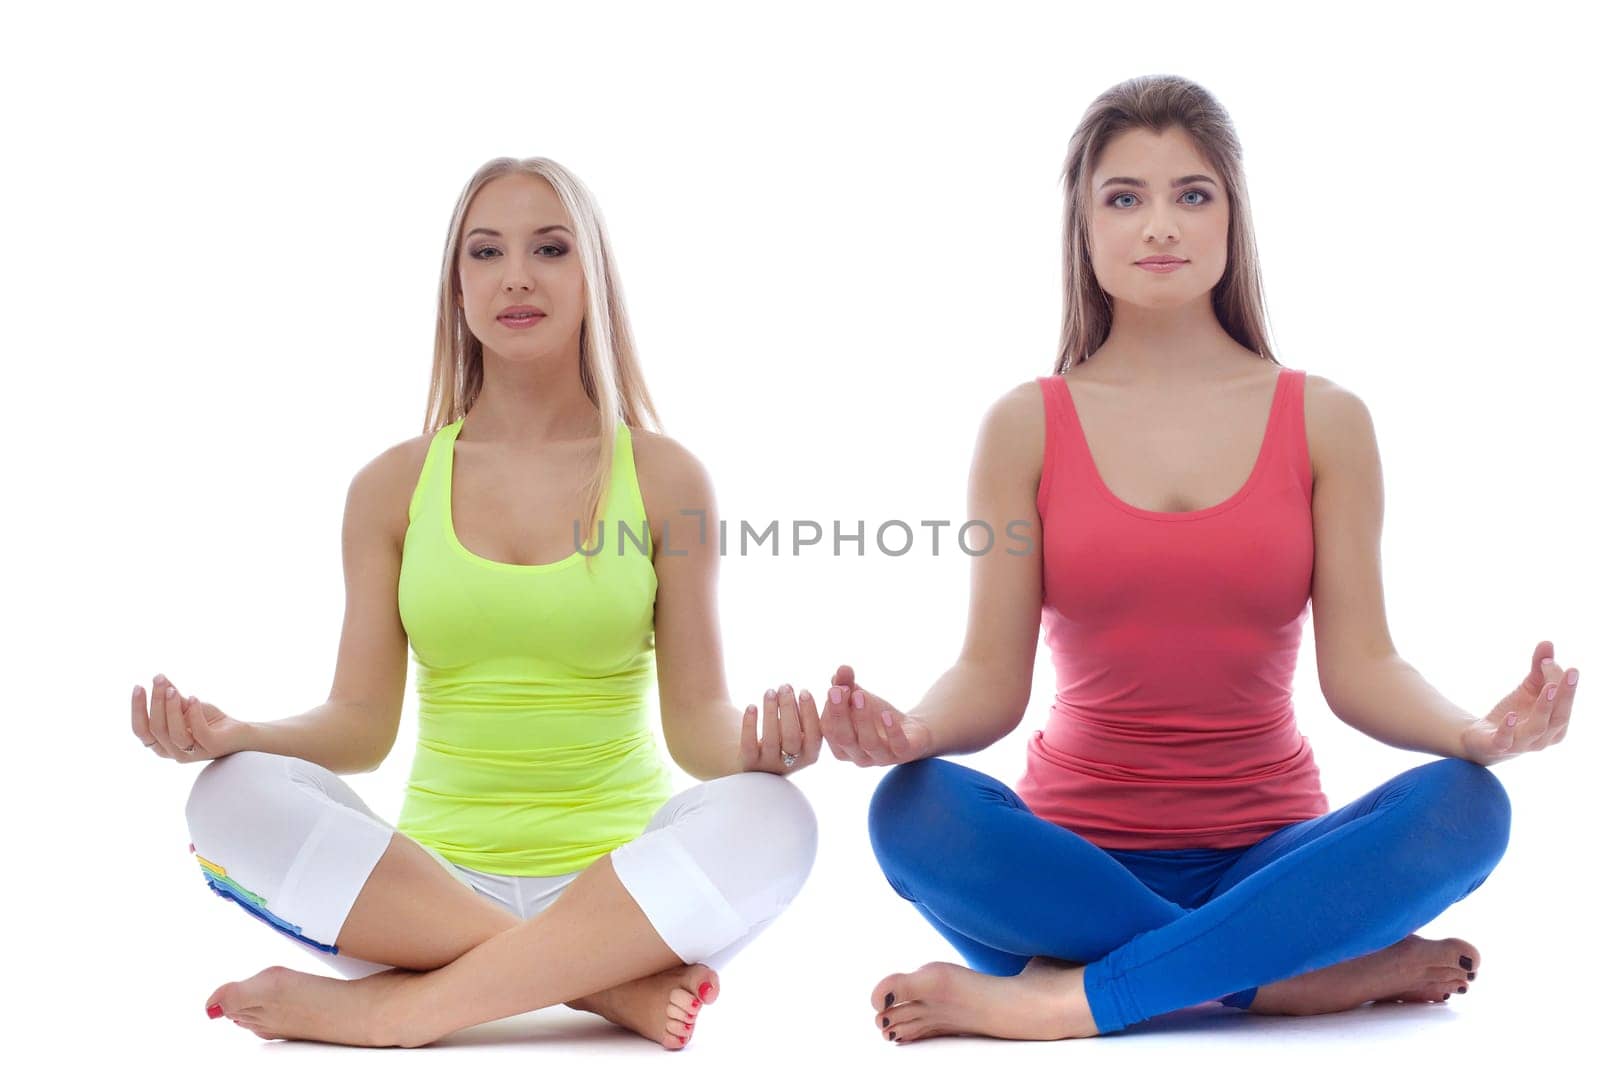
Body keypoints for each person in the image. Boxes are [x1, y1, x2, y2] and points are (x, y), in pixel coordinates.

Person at [818, 74, 1577, 1043]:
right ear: (1083, 232)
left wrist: (1474, 732)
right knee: (911, 810)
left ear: (1232, 221)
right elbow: (987, 676)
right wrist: (910, 729)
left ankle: (1066, 998)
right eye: (1123, 197)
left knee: (1469, 808)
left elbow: (1364, 669)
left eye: (1192, 193)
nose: (1158, 225)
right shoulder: (1023, 426)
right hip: (1070, 866)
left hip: (1276, 862)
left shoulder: (1326, 420)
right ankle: (1286, 980)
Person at [130, 157, 823, 1049]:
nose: (517, 276)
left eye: (551, 248)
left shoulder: (663, 475)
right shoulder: (392, 486)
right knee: (227, 794)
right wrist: (240, 735)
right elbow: (360, 724)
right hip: (426, 893)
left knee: (780, 817)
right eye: (486, 252)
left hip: (627, 893)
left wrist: (763, 749)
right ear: (455, 286)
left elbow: (696, 726)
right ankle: (601, 990)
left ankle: (402, 1009)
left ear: (592, 278)